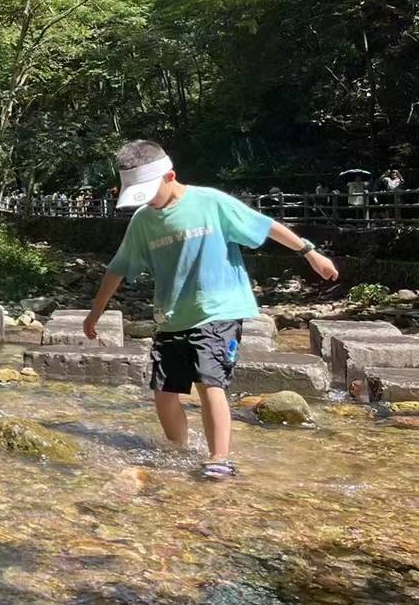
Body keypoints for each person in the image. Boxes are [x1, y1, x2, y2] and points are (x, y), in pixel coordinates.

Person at [84, 140, 339, 481]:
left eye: (148, 192)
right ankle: (178, 451)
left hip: (219, 310)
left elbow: (264, 225)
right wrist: (94, 313)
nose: (145, 201)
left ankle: (219, 459)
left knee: (209, 382)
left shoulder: (210, 202)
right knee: (164, 392)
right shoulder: (143, 221)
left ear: (170, 176)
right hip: (172, 317)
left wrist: (309, 252)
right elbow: (118, 267)